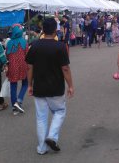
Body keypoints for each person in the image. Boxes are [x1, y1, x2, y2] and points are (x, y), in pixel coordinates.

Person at [26, 18, 74, 155]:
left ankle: (42, 148)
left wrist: (30, 85)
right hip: (56, 87)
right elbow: (65, 68)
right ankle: (52, 137)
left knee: (41, 117)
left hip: (39, 87)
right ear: (55, 30)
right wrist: (70, 85)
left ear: (42, 29)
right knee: (59, 112)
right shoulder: (60, 46)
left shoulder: (34, 45)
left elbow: (29, 67)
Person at [5, 25, 28, 115]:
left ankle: (14, 108)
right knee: (25, 83)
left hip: (12, 66)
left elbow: (6, 55)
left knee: (13, 85)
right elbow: (27, 54)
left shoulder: (9, 43)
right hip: (23, 65)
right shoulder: (24, 42)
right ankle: (19, 101)